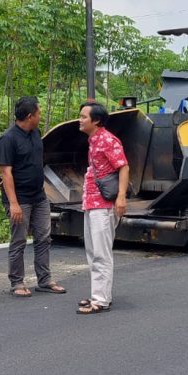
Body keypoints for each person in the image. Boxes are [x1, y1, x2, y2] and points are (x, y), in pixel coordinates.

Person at [0, 96, 66, 298]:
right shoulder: (8, 139)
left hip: (39, 196)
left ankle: (44, 280)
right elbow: (5, 173)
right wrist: (13, 204)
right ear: (30, 116)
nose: (40, 116)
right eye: (38, 113)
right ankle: (17, 282)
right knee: (19, 240)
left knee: (44, 237)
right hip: (19, 199)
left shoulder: (35, 133)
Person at [76, 102, 129, 315]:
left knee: (101, 254)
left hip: (104, 205)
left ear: (95, 120)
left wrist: (121, 198)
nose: (79, 120)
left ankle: (101, 300)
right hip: (92, 203)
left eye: (83, 117)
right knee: (93, 252)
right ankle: (99, 294)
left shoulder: (107, 139)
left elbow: (123, 166)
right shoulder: (93, 140)